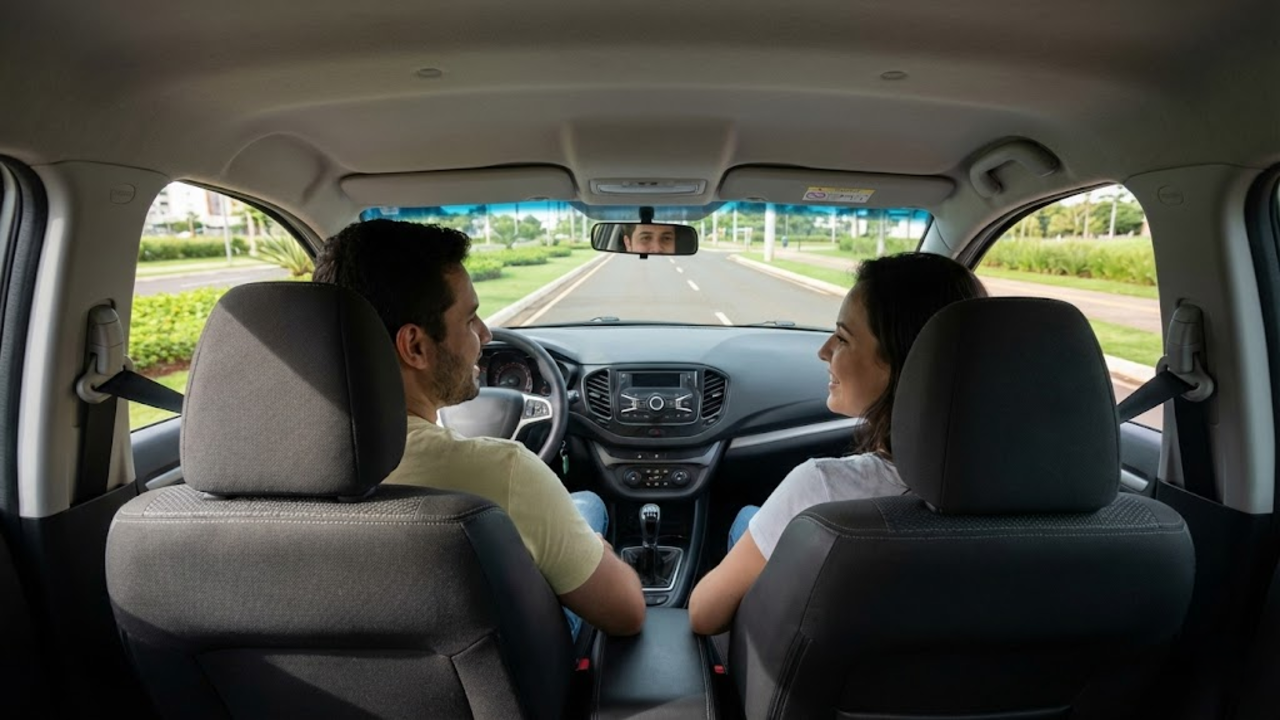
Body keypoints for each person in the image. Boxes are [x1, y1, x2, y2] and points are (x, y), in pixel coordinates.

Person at [313, 219, 645, 639]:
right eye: (470, 319)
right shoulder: (503, 473)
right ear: (415, 346)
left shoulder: (241, 476)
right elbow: (627, 612)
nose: (486, 334)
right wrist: (596, 551)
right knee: (588, 508)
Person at [687, 252, 988, 636]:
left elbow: (704, 613)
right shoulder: (1055, 500)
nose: (824, 350)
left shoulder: (822, 490)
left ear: (905, 362)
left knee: (749, 522)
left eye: (843, 337)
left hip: (829, 693)